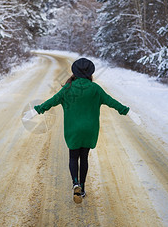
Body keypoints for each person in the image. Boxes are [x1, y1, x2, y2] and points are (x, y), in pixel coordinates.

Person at [34, 58, 129, 204]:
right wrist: (123, 109)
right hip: (89, 130)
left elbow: (52, 101)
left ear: (75, 72)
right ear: (90, 73)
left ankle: (75, 183)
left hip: (73, 130)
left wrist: (39, 109)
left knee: (73, 157)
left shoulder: (68, 88)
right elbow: (111, 101)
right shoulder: (95, 89)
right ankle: (83, 189)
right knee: (84, 158)